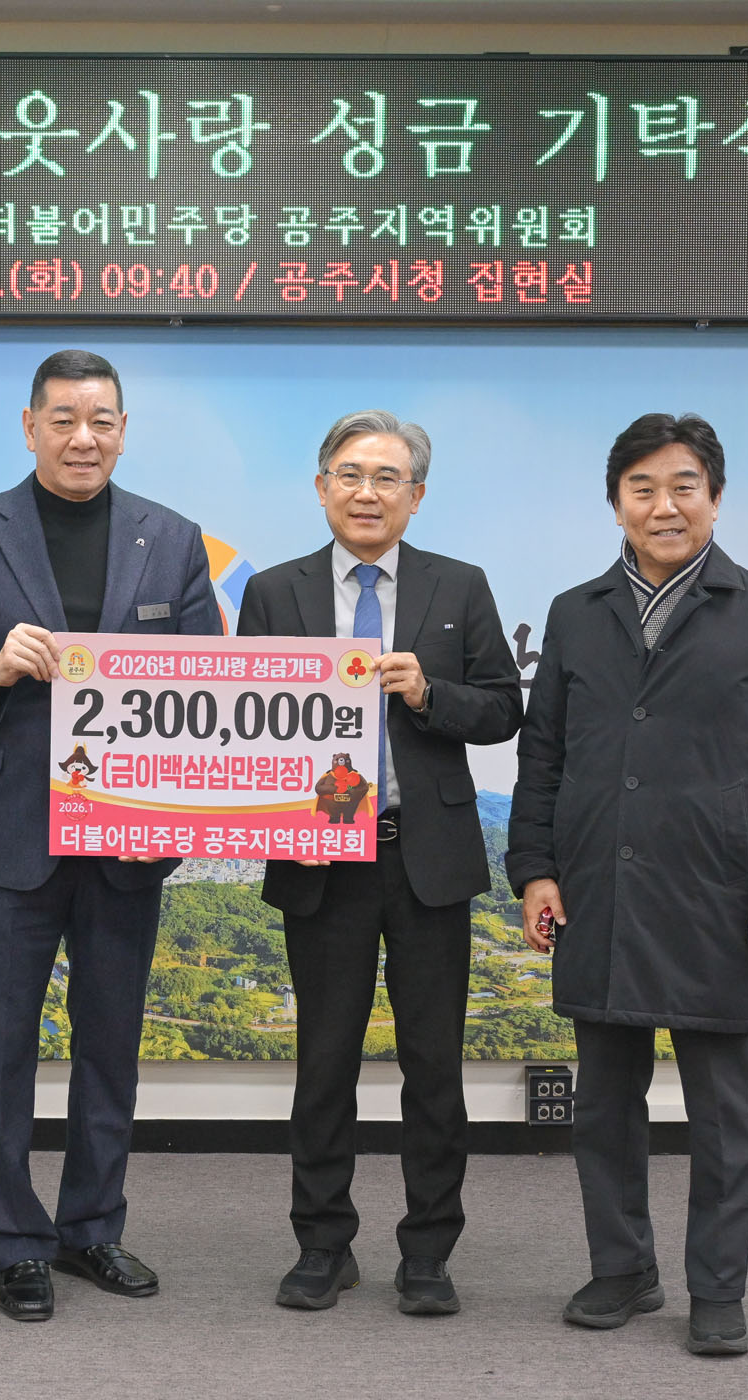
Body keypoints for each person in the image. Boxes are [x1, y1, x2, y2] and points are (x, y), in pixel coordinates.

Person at [507, 412, 748, 1357]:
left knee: (722, 1114)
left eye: (683, 486)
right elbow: (543, 757)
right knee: (603, 1109)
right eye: (642, 488)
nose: (664, 506)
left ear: (715, 499)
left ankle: (718, 1289)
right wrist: (534, 869)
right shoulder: (576, 612)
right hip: (599, 892)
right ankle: (621, 1270)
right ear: (615, 503)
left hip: (719, 899)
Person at [0, 349, 218, 1321]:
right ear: (31, 425)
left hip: (128, 835)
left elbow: (208, 689)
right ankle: (13, 1242)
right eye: (65, 419)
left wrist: (175, 817)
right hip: (8, 835)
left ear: (123, 430)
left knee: (110, 1044)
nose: (84, 437)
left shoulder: (173, 539)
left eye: (102, 420)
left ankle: (92, 1227)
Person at [237, 410, 522, 1315]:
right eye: (351, 474)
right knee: (324, 1064)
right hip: (323, 857)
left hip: (425, 857)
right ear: (322, 487)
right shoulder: (274, 592)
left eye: (388, 477)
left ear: (417, 495)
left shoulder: (459, 585)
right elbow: (244, 722)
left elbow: (503, 709)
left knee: (433, 1066)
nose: (368, 492)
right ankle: (322, 1245)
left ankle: (428, 1252)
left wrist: (429, 693)